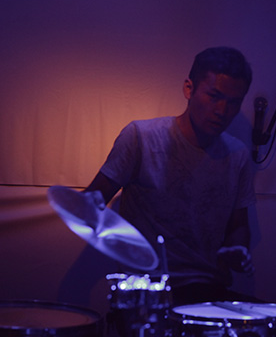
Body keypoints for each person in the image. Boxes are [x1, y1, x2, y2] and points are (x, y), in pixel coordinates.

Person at [84, 46, 259, 306]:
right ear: (189, 89)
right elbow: (89, 203)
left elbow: (239, 225)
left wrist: (238, 249)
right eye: (214, 96)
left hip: (208, 290)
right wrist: (125, 245)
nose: (222, 110)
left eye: (233, 102)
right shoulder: (141, 137)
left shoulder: (238, 155)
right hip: (147, 291)